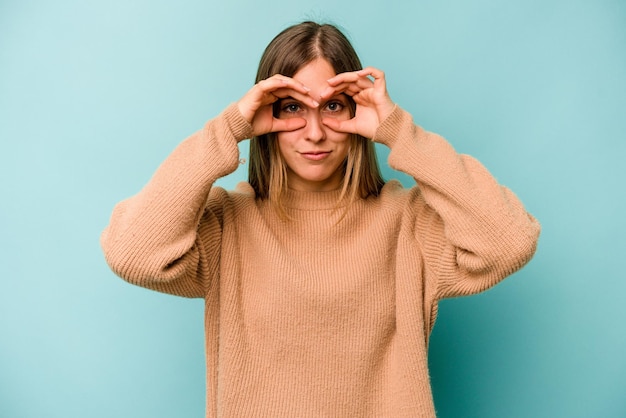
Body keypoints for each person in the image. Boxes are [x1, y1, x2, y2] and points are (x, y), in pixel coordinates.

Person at [101, 21, 540, 417]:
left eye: (333, 107)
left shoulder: (408, 224)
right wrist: (229, 127)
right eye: (291, 107)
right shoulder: (226, 227)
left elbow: (509, 242)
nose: (314, 132)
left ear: (357, 111)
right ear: (265, 113)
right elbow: (133, 254)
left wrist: (399, 131)